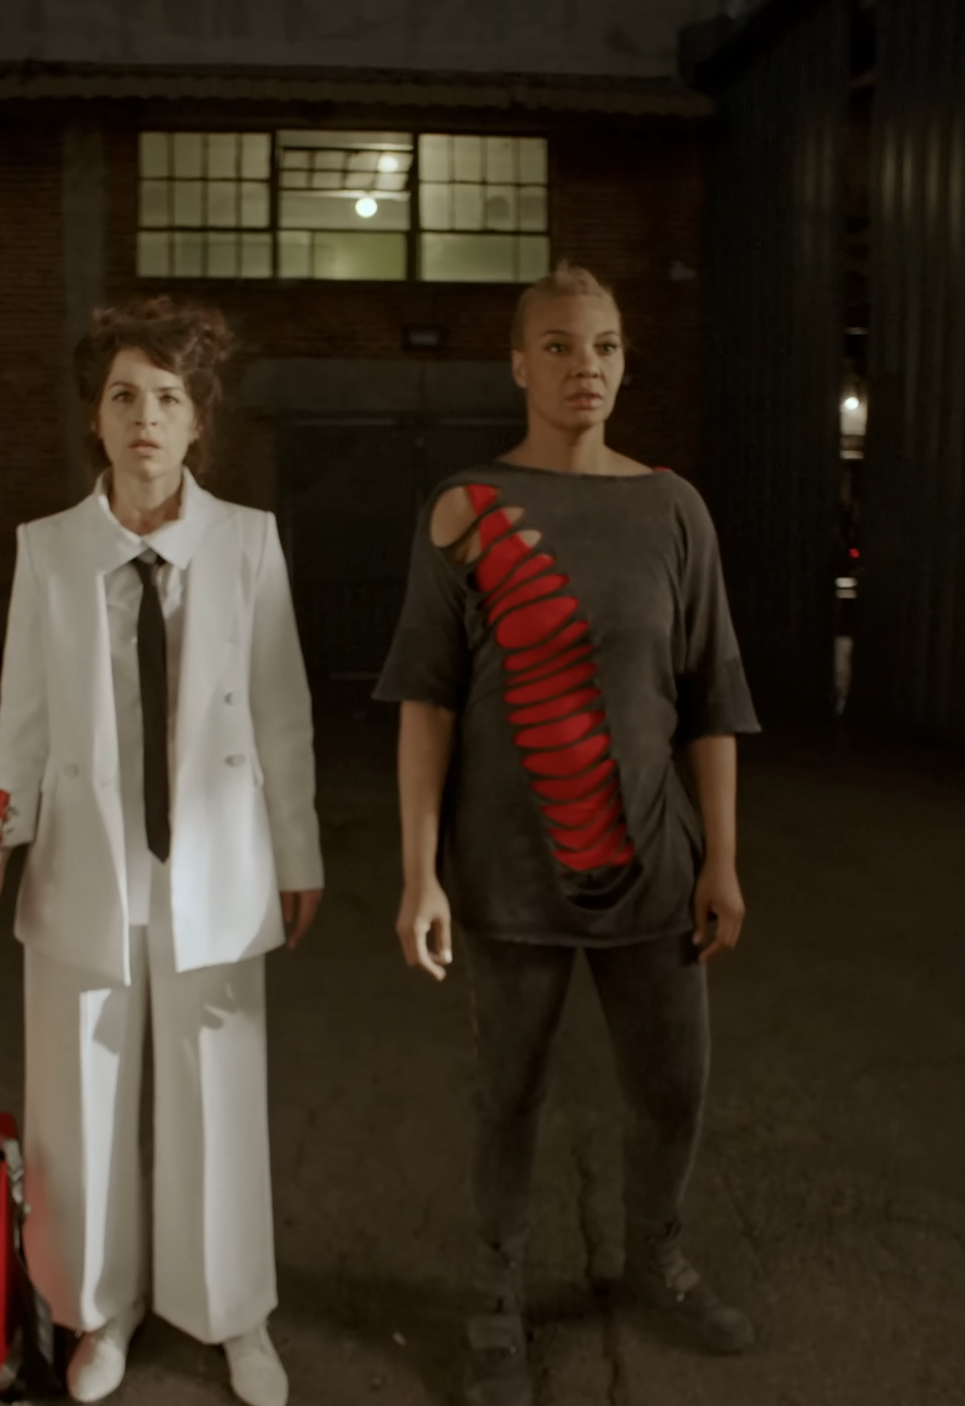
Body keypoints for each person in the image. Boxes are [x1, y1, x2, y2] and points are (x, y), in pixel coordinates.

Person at [373, 262, 760, 1406]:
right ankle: (492, 1305)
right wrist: (415, 873)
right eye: (556, 345)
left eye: (601, 345)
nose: (581, 365)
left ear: (623, 360)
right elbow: (425, 699)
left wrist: (725, 859)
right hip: (508, 869)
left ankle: (657, 1262)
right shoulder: (464, 504)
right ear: (516, 363)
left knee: (673, 1088)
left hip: (656, 864)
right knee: (509, 1098)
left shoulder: (673, 508)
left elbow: (711, 698)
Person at [0, 297, 323, 1406]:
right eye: (123, 396)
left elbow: (281, 711)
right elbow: (18, 724)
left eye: (168, 397)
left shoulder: (247, 541)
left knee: (217, 1095)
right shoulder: (48, 551)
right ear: (96, 420)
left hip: (213, 864)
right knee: (79, 1103)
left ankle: (232, 1313)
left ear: (198, 420)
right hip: (83, 867)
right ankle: (94, 1309)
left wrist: (295, 852)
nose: (145, 417)